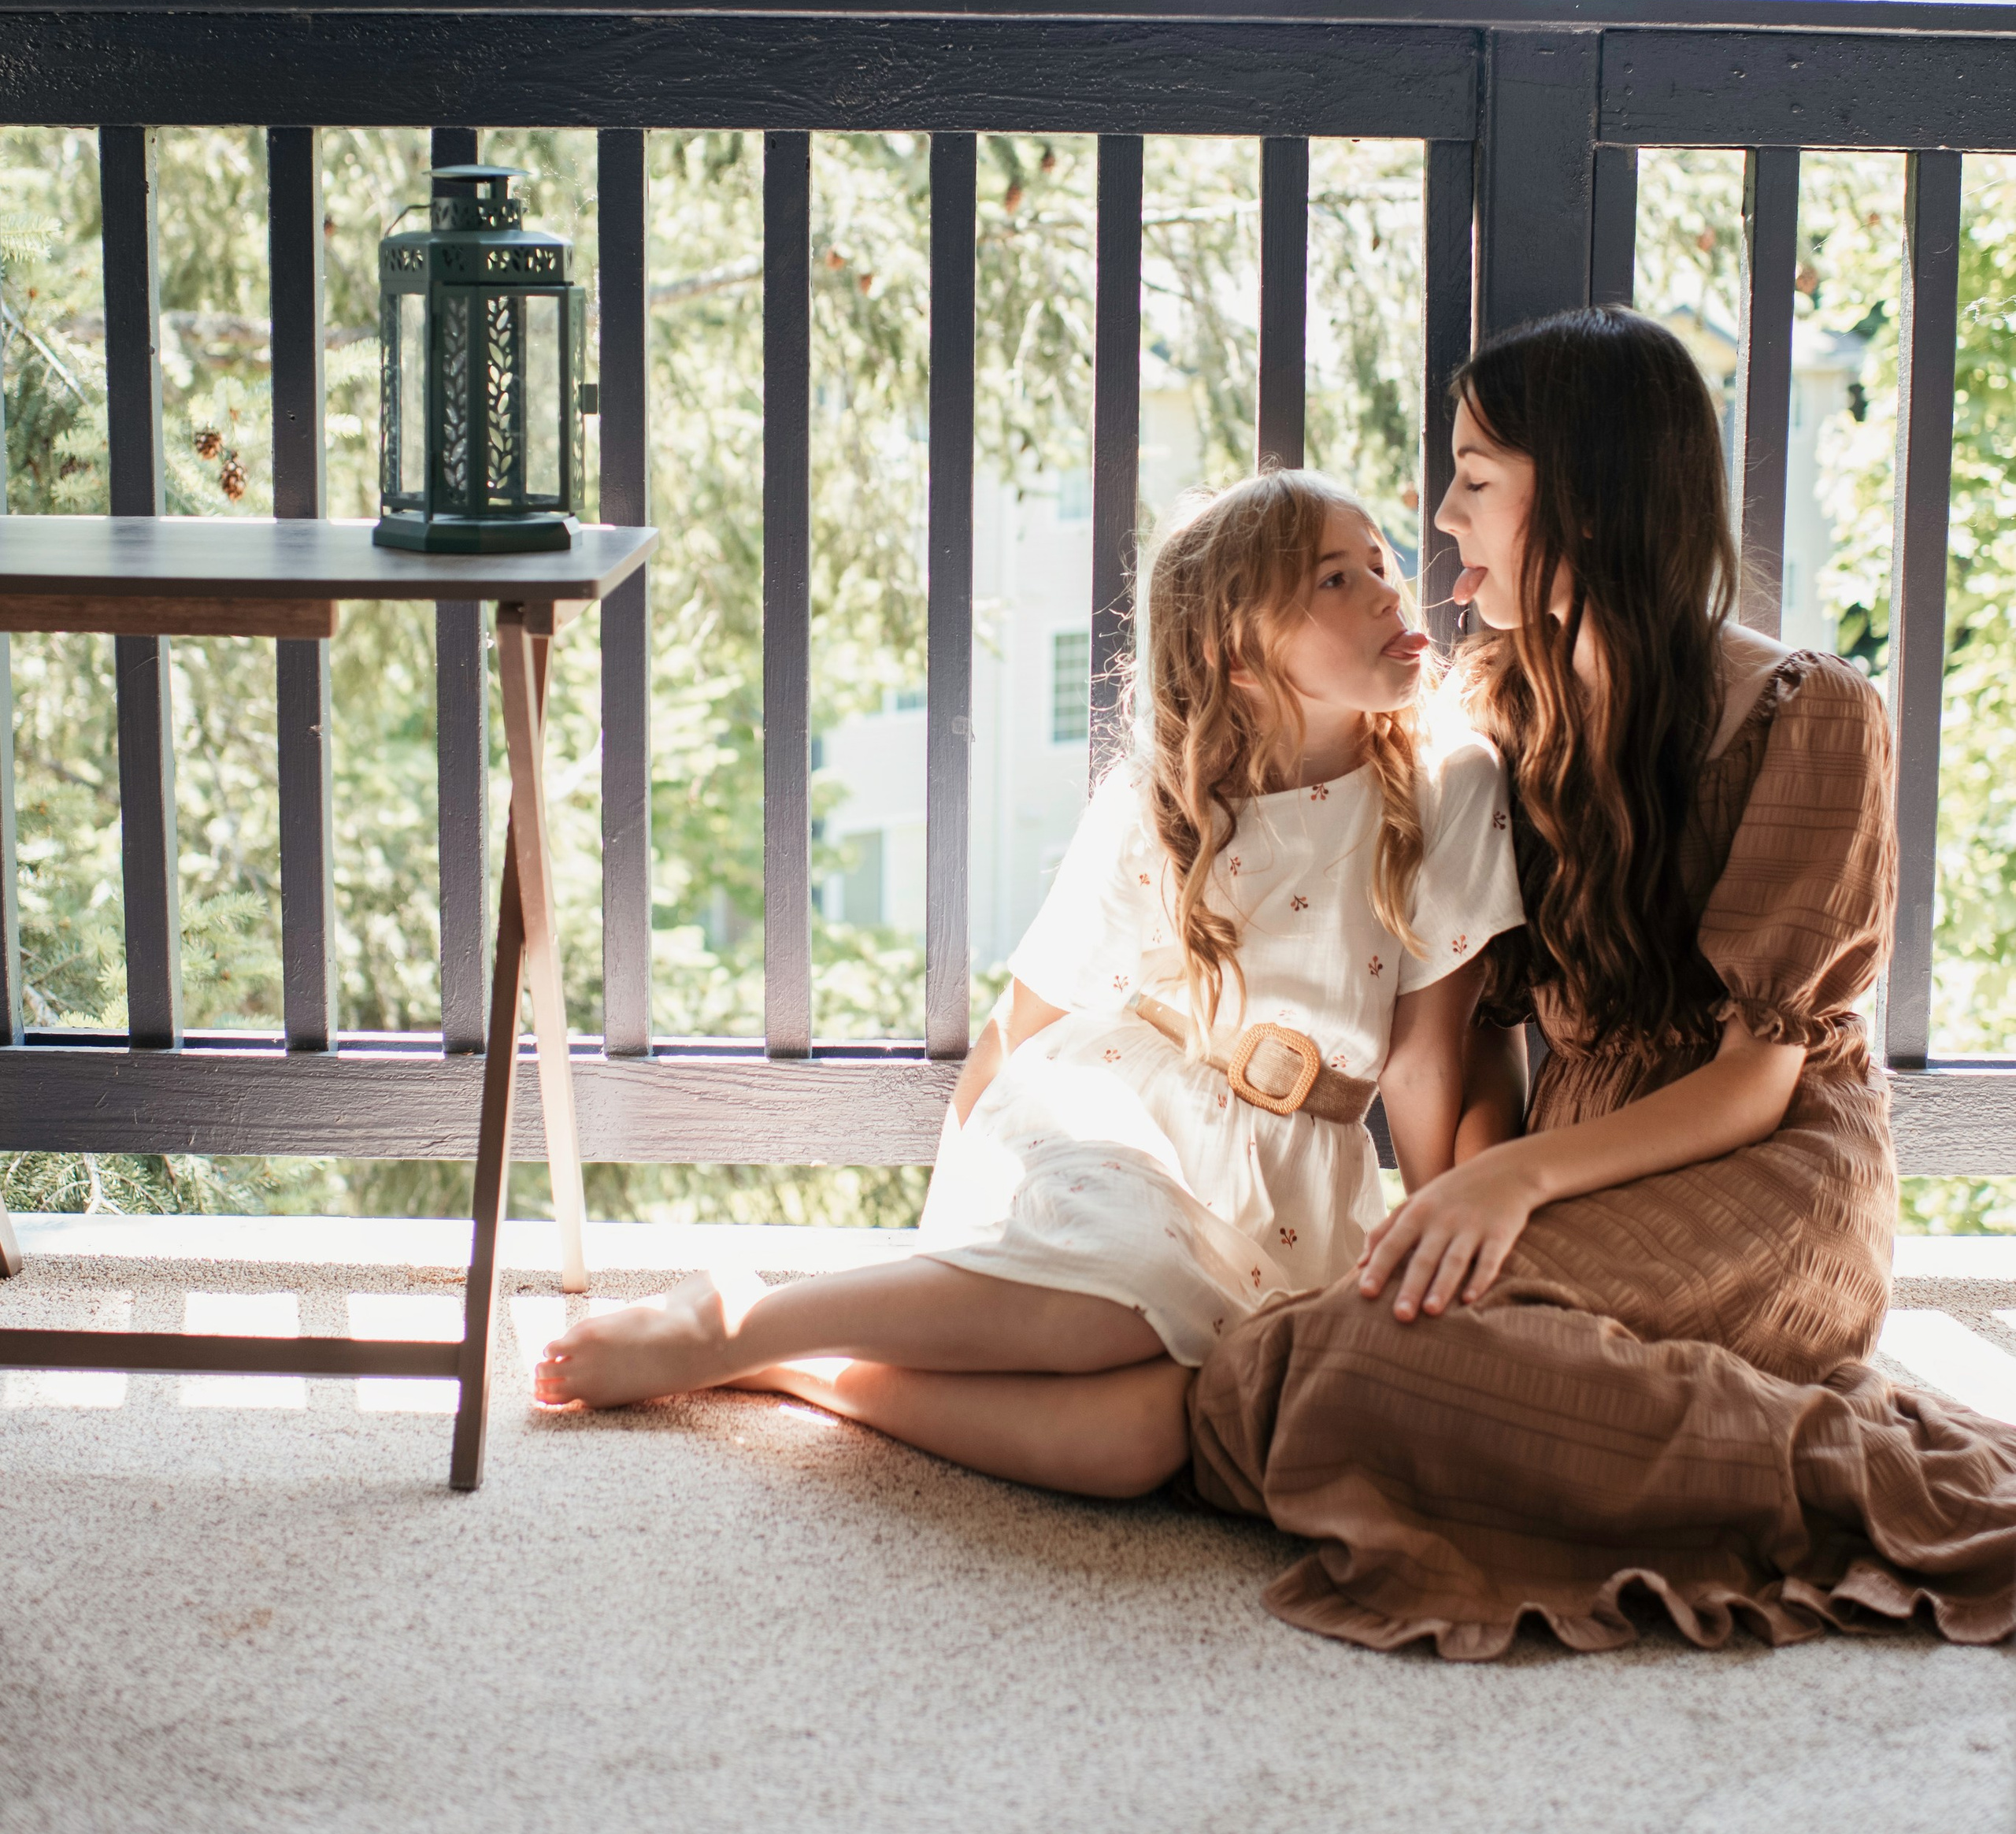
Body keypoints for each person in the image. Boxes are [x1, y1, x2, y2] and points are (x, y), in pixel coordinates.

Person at [1187, 307, 2016, 1657]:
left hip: (1769, 1174)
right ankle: (1661, 1419)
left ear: (1584, 491)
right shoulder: (1499, 704)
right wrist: (1469, 1186)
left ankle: (1842, 1468)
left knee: (1354, 1368)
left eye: (1474, 475)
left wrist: (1510, 1187)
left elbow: (1760, 1076)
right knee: (1282, 1364)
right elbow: (1480, 1033)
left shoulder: (1814, 715)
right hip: (1572, 1155)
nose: (1444, 515)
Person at [535, 470, 1525, 1491]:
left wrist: (1444, 1248)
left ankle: (788, 1364)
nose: (1387, 589)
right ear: (1238, 651)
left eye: (1380, 562)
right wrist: (955, 1203)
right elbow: (1035, 1010)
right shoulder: (1167, 798)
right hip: (1115, 1118)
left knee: (1143, 1441)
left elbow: (1421, 1059)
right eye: (1335, 577)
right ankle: (739, 1317)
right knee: (1116, 1290)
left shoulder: (1450, 782)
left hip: (1290, 1186)